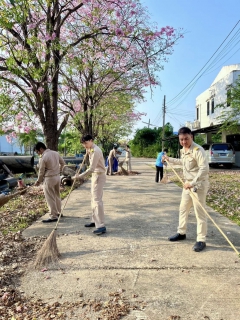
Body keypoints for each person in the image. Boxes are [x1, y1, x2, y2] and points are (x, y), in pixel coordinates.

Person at [162, 127, 209, 252]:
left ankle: (201, 240)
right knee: (183, 209)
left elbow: (204, 170)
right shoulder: (184, 150)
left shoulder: (198, 150)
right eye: (181, 139)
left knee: (200, 213)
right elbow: (183, 162)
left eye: (186, 139)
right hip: (187, 185)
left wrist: (192, 183)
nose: (184, 142)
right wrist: (168, 159)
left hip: (198, 186)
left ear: (191, 137)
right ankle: (181, 233)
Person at [72, 134, 106, 235]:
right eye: (83, 144)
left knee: (97, 200)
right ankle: (94, 220)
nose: (85, 146)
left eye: (86, 143)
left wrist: (79, 176)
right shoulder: (91, 149)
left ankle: (101, 225)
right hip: (95, 176)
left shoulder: (96, 151)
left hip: (99, 176)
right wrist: (88, 150)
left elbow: (91, 169)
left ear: (91, 140)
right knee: (93, 199)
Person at [34, 142, 65, 223]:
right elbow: (63, 163)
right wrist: (59, 170)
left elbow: (41, 171)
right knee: (57, 195)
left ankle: (53, 215)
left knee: (50, 197)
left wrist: (38, 181)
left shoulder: (43, 157)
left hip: (49, 179)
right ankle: (59, 212)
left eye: (38, 151)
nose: (38, 153)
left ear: (41, 149)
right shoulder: (55, 153)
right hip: (57, 177)